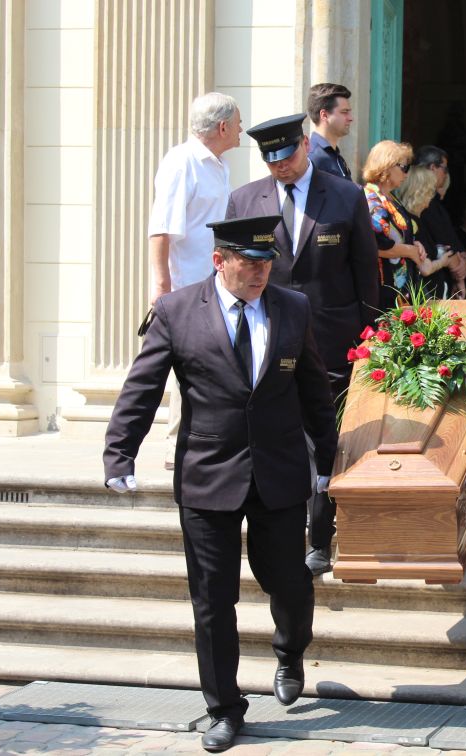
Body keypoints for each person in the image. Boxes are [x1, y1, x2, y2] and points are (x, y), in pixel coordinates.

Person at [103, 215, 338, 753]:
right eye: (249, 263)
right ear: (219, 261)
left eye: (267, 263)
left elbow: (314, 391)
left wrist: (329, 461)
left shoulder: (293, 308)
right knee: (212, 600)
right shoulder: (177, 311)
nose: (260, 273)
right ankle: (224, 708)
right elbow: (142, 387)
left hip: (279, 472)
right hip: (208, 475)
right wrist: (120, 452)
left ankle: (289, 651)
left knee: (290, 581)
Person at [227, 113, 379, 577]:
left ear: (305, 146)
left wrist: (370, 336)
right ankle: (280, 534)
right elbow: (231, 275)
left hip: (332, 341)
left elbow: (366, 272)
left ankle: (320, 539)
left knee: (324, 439)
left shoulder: (345, 195)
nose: (281, 165)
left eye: (288, 155)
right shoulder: (244, 200)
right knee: (275, 435)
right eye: (271, 159)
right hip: (266, 341)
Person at [147, 92, 242, 470]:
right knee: (186, 364)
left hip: (215, 280)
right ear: (223, 127)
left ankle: (201, 439)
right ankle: (176, 447)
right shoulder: (182, 161)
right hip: (186, 284)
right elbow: (160, 229)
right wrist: (161, 287)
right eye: (238, 123)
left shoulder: (219, 165)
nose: (241, 129)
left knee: (209, 362)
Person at [362, 140, 447, 309]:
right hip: (382, 292)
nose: (406, 175)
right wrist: (410, 251)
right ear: (387, 165)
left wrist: (414, 243)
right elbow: (376, 244)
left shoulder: (391, 198)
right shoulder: (372, 199)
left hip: (401, 293)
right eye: (404, 167)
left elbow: (400, 235)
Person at [395, 163, 462, 299]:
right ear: (420, 192)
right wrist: (444, 261)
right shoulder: (411, 223)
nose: (432, 196)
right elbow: (425, 268)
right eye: (430, 190)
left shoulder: (414, 220)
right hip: (423, 299)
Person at [413, 145, 466, 297]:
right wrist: (459, 271)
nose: (446, 175)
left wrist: (463, 263)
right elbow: (445, 246)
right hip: (428, 286)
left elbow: (454, 244)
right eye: (445, 169)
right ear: (433, 168)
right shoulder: (425, 206)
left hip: (440, 282)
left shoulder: (436, 205)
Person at [306, 82, 354, 181]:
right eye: (344, 112)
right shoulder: (313, 157)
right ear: (324, 115)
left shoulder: (333, 154)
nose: (350, 118)